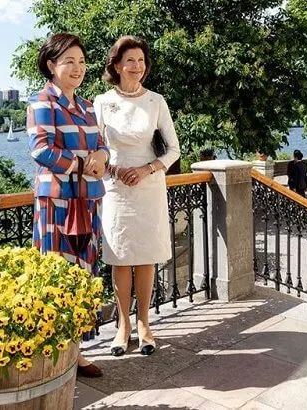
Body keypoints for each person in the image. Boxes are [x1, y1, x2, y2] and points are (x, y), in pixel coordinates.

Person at [27, 33, 109, 378]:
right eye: (68, 62)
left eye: (81, 61)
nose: (77, 68)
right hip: (57, 202)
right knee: (57, 275)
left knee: (83, 274)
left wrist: (102, 155)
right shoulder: (42, 102)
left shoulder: (87, 106)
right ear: (51, 65)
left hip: (86, 200)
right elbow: (40, 149)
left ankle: (75, 352)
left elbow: (101, 144)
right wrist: (80, 164)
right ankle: (55, 355)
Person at [93, 36, 180, 357]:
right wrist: (114, 170)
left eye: (141, 61)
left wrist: (146, 169)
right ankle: (122, 325)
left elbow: (173, 149)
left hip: (149, 186)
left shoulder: (156, 101)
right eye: (130, 60)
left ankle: (144, 323)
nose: (137, 67)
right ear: (116, 65)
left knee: (145, 257)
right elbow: (95, 149)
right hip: (115, 189)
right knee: (119, 257)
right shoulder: (101, 102)